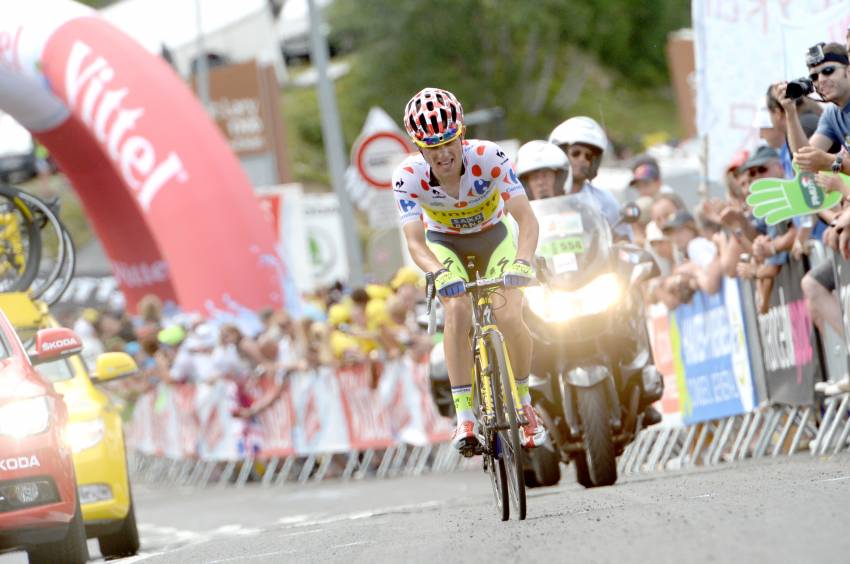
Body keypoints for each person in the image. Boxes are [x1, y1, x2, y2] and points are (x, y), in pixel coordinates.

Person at [392, 87, 545, 454]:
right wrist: (437, 272)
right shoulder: (408, 176)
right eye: (432, 147)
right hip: (445, 244)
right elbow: (415, 241)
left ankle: (525, 402)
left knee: (509, 314)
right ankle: (465, 418)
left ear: (461, 134)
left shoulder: (489, 156)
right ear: (418, 147)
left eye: (449, 142)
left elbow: (526, 219)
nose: (443, 154)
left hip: (494, 237)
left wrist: (523, 261)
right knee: (457, 308)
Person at [548, 116, 632, 240]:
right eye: (576, 153)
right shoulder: (544, 198)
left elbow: (624, 240)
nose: (582, 159)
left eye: (588, 156)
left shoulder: (604, 200)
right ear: (561, 153)